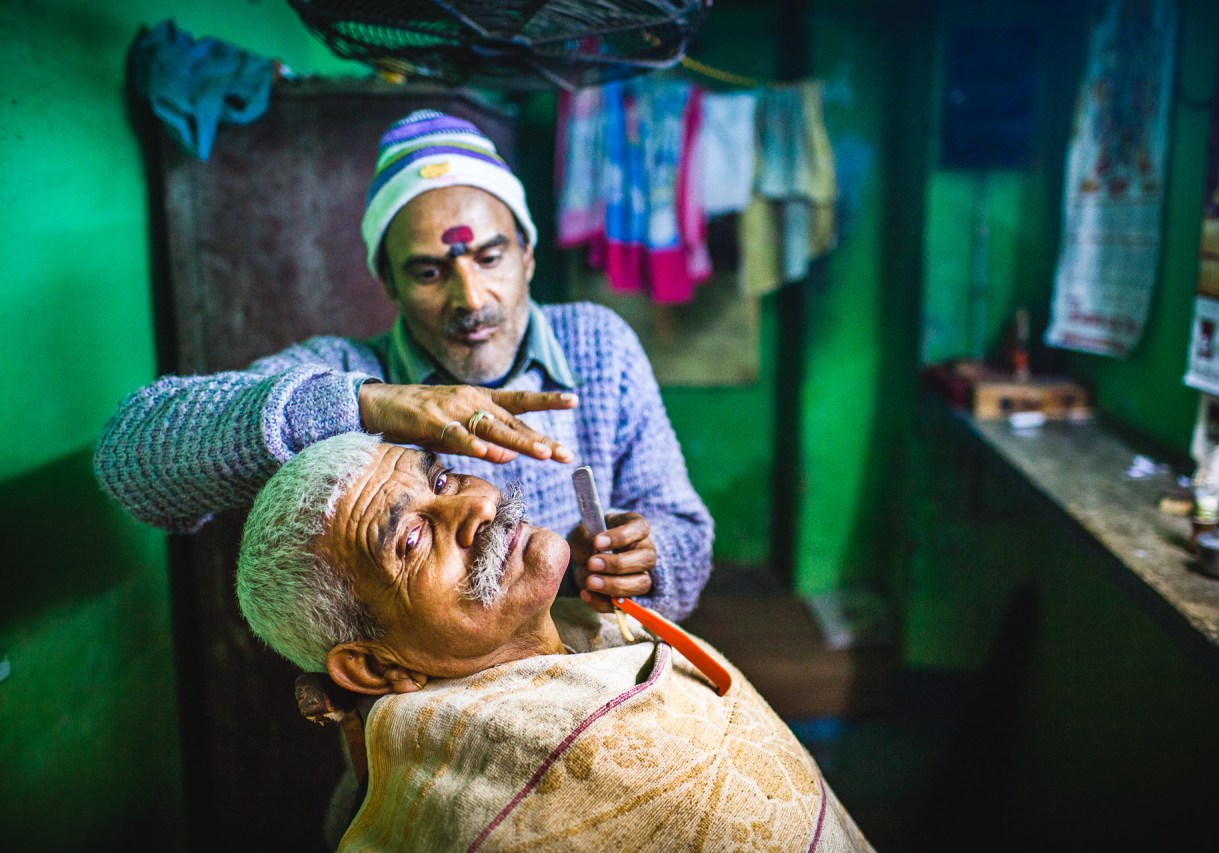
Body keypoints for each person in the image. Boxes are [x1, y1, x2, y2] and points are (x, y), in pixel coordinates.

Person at [94, 109, 713, 620]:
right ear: (388, 281)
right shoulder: (345, 374)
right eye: (429, 271)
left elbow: (685, 531)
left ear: (527, 254)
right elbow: (131, 455)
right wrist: (367, 404)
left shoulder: (598, 345)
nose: (470, 298)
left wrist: (640, 561)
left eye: (490, 258)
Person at [236, 433, 874, 853]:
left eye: (444, 479)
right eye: (412, 539)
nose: (477, 507)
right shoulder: (479, 821)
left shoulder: (587, 623)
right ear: (375, 667)